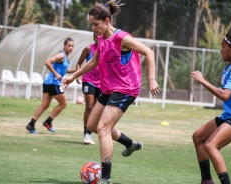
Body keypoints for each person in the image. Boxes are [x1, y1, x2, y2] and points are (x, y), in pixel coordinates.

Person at [62, 1, 159, 183]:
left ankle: (105, 179)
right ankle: (130, 144)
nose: (93, 28)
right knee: (92, 125)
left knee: (102, 128)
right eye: (91, 24)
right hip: (109, 87)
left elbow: (149, 52)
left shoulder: (121, 38)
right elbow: (93, 62)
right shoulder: (101, 40)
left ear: (107, 21)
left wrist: (152, 79)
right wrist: (72, 76)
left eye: (96, 24)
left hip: (126, 88)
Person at [191, 29, 231, 184]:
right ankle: (206, 181)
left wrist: (203, 81)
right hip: (230, 115)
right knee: (198, 137)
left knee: (210, 145)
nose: (221, 50)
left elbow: (225, 95)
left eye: (223, 47)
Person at [26, 37, 76, 134]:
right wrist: (56, 74)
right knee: (63, 104)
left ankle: (31, 124)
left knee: (45, 105)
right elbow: (47, 62)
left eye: (73, 46)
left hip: (48, 82)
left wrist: (77, 71)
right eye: (69, 45)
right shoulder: (61, 55)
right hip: (53, 83)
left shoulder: (65, 57)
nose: (71, 48)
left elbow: (65, 71)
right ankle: (48, 121)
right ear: (64, 46)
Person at [76, 33, 101, 145]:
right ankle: (87, 133)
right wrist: (78, 75)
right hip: (88, 80)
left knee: (96, 109)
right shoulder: (88, 48)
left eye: (100, 36)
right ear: (93, 37)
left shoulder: (105, 49)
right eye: (96, 36)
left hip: (101, 83)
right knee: (89, 106)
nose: (98, 38)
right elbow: (79, 63)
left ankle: (91, 131)